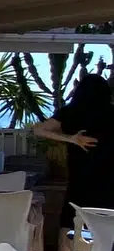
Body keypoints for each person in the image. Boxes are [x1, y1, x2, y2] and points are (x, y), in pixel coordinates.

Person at [34, 73, 114, 226]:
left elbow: (38, 130)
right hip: (109, 177)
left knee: (71, 222)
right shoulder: (111, 112)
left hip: (80, 176)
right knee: (107, 224)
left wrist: (71, 138)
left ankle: (67, 242)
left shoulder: (70, 112)